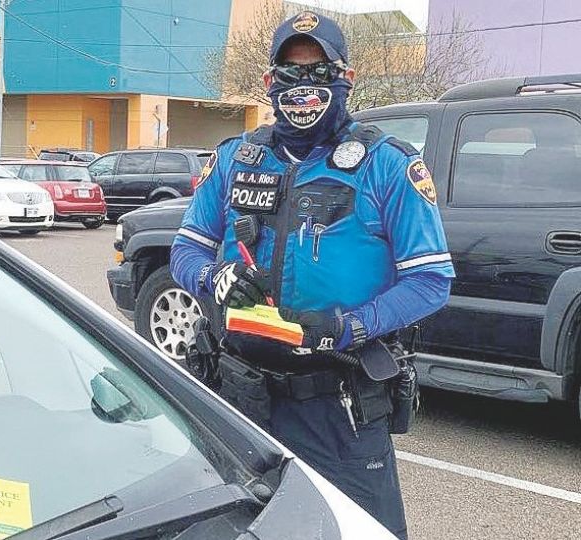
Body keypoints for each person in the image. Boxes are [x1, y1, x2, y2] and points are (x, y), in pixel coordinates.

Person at [169, 10, 454, 540]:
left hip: (339, 406)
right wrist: (214, 279)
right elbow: (186, 251)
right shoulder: (235, 158)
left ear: (345, 79)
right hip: (239, 396)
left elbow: (431, 281)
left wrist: (350, 326)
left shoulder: (386, 163)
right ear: (268, 83)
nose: (303, 86)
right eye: (291, 73)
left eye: (318, 70)